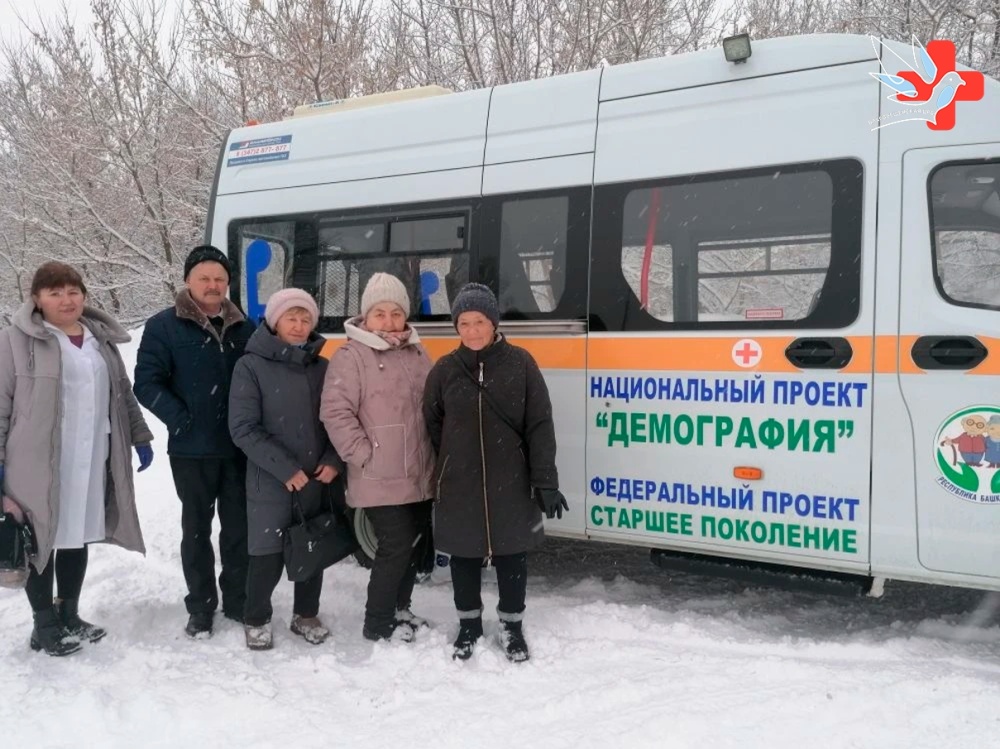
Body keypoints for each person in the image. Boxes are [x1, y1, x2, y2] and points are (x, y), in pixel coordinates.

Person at [0, 261, 154, 656]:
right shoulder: (14, 341)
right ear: (37, 299)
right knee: (41, 540)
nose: (66, 300)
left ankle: (68, 613)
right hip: (34, 462)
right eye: (54, 293)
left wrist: (140, 435)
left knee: (77, 533)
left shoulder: (98, 339)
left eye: (73, 291)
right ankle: (44, 625)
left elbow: (121, 392)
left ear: (84, 296)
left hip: (90, 454)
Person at [423, 283, 568, 663]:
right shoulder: (444, 370)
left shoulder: (521, 363)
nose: (472, 330)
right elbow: (432, 423)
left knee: (511, 555)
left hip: (512, 480)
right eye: (464, 323)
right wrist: (453, 460)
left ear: (494, 323)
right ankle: (469, 625)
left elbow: (540, 425)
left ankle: (511, 627)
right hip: (459, 481)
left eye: (480, 321)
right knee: (463, 557)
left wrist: (545, 481)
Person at [133, 245, 255, 638]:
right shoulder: (164, 326)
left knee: (238, 529)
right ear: (188, 280)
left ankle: (237, 598)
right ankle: (200, 606)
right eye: (204, 277)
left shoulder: (245, 326)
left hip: (238, 448)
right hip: (192, 450)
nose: (212, 284)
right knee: (197, 529)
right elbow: (146, 383)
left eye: (220, 278)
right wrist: (182, 421)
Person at [228, 289, 345, 651]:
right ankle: (256, 618)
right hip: (270, 478)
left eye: (305, 319)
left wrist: (333, 459)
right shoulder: (250, 366)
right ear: (274, 322)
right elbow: (243, 427)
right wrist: (286, 469)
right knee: (267, 552)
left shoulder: (322, 367)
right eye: (291, 318)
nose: (298, 325)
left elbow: (338, 421)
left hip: (316, 476)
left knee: (312, 546)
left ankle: (305, 615)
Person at [320, 273, 434, 643]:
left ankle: (401, 608)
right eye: (380, 313)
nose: (388, 321)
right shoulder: (351, 356)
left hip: (419, 471)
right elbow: (335, 412)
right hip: (378, 474)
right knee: (395, 545)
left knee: (413, 544)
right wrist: (364, 456)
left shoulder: (417, 352)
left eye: (396, 313)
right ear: (366, 316)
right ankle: (378, 622)